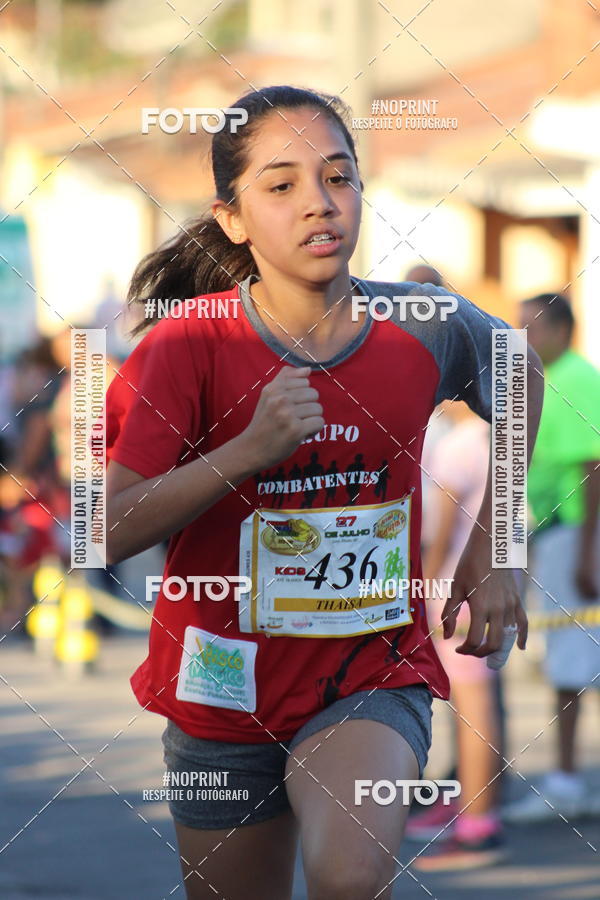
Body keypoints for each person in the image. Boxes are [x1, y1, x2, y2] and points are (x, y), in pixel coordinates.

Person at [105, 85, 541, 900]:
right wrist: (249, 450)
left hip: (370, 672)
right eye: (282, 185)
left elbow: (521, 371)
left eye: (339, 178)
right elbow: (106, 528)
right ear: (232, 217)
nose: (320, 203)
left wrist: (497, 545)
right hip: (220, 689)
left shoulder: (423, 324)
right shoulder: (188, 343)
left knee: (346, 877)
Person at [503, 292, 600, 822]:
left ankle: (565, 780)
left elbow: (593, 466)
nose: (522, 338)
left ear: (562, 329)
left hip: (575, 534)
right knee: (572, 657)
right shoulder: (548, 376)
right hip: (559, 534)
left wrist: (586, 553)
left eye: (530, 328)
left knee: (570, 659)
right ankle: (566, 777)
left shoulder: (576, 379)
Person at [408, 405, 505, 870]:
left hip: (452, 593)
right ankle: (471, 806)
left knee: (472, 708)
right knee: (476, 704)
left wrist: (420, 590)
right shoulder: (495, 441)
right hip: (487, 589)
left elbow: (440, 536)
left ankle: (476, 825)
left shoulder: (459, 445)